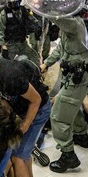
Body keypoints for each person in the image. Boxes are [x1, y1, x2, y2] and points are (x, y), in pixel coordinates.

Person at [40, 14, 88, 173]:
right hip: (73, 75)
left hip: (77, 78)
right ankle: (81, 134)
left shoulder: (73, 24)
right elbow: (61, 47)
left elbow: (58, 18)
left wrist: (48, 7)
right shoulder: (71, 28)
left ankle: (68, 155)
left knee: (58, 116)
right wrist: (46, 63)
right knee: (72, 108)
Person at [0, 0, 40, 66]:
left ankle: (37, 74)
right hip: (10, 45)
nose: (14, 2)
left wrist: (37, 27)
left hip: (23, 44)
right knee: (1, 64)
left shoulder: (23, 10)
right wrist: (3, 47)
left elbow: (33, 20)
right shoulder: (4, 13)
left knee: (34, 57)